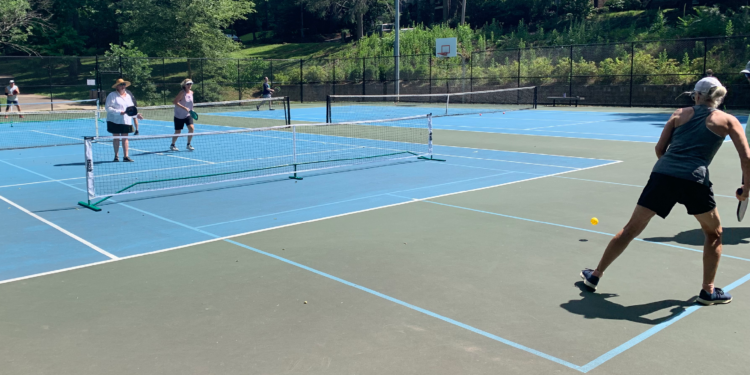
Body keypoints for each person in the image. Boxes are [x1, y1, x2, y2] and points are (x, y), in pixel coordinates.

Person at [580, 77, 750, 306]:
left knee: (631, 229)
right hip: (695, 181)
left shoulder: (679, 114)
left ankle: (595, 275)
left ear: (697, 96)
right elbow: (746, 157)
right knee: (713, 233)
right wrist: (746, 189)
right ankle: (708, 292)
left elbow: (660, 149)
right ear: (718, 98)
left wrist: (670, 171)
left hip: (662, 177)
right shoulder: (729, 121)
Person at [105, 78, 143, 162]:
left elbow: (131, 109)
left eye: (124, 84)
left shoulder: (128, 96)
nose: (123, 86)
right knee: (116, 138)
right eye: (121, 85)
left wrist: (137, 115)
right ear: (117, 87)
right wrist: (119, 112)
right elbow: (108, 108)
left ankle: (126, 156)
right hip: (114, 120)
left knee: (125, 138)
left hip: (126, 121)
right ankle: (116, 156)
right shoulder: (112, 95)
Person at [170, 79, 195, 151]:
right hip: (179, 115)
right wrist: (184, 108)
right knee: (178, 131)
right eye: (188, 84)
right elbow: (175, 102)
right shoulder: (182, 93)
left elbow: (191, 103)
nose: (189, 85)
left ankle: (188, 144)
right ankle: (172, 145)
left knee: (191, 128)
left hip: (188, 115)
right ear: (184, 85)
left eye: (190, 84)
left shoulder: (191, 93)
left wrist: (192, 110)